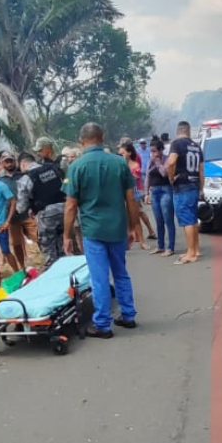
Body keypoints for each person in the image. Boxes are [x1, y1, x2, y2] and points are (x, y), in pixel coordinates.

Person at [63, 122, 139, 338]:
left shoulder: (76, 166)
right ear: (103, 137)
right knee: (121, 273)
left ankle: (103, 324)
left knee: (99, 278)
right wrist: (133, 227)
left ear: (81, 140)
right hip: (117, 228)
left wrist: (67, 235)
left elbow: (70, 205)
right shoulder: (119, 163)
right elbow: (131, 198)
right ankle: (128, 315)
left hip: (93, 231)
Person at [17, 151, 67, 267]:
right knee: (62, 243)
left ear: (23, 164)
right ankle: (66, 271)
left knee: (48, 247)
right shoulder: (54, 169)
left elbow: (21, 207)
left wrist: (29, 207)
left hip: (46, 215)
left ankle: (53, 274)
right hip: (64, 210)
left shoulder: (27, 178)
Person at [166, 121, 205, 265]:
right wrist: (201, 188)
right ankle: (195, 249)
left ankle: (191, 253)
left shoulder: (177, 144)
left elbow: (171, 162)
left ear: (178, 131)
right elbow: (201, 170)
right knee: (193, 218)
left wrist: (171, 178)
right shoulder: (196, 147)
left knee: (186, 220)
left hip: (182, 185)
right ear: (188, 131)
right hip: (194, 185)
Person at [0, 150, 34, 271]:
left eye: (11, 161)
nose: (9, 164)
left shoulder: (23, 174)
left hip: (27, 214)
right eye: (6, 161)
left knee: (39, 237)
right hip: (11, 217)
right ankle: (22, 267)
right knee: (16, 244)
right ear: (1, 163)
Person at [119, 140, 156, 249]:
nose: (121, 156)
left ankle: (142, 241)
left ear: (129, 153)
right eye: (120, 154)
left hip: (132, 192)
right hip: (121, 193)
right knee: (124, 220)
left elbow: (134, 178)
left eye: (123, 153)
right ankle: (126, 242)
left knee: (135, 218)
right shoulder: (118, 165)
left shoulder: (134, 164)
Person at [146, 138, 175, 257]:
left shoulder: (166, 159)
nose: (152, 154)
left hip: (165, 190)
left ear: (160, 150)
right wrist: (147, 192)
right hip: (155, 191)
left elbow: (164, 173)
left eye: (154, 151)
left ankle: (170, 247)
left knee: (168, 219)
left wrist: (157, 162)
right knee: (158, 220)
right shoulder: (150, 161)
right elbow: (147, 176)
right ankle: (160, 245)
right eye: (151, 151)